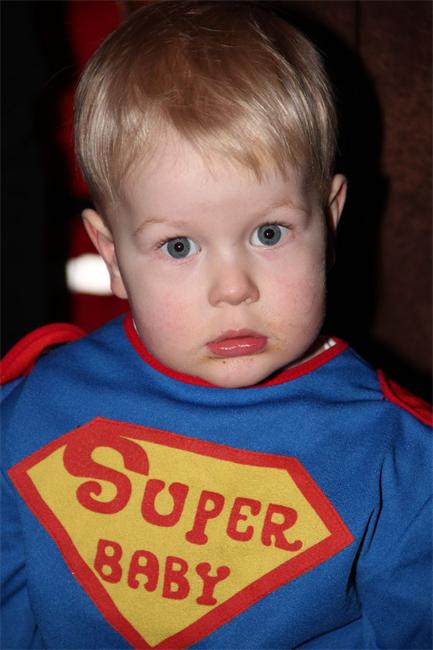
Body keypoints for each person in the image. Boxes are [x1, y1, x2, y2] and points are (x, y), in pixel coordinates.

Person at [1, 2, 431, 649]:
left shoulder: (396, 455)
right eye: (179, 246)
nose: (233, 288)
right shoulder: (30, 410)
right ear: (112, 255)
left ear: (330, 218)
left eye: (269, 233)